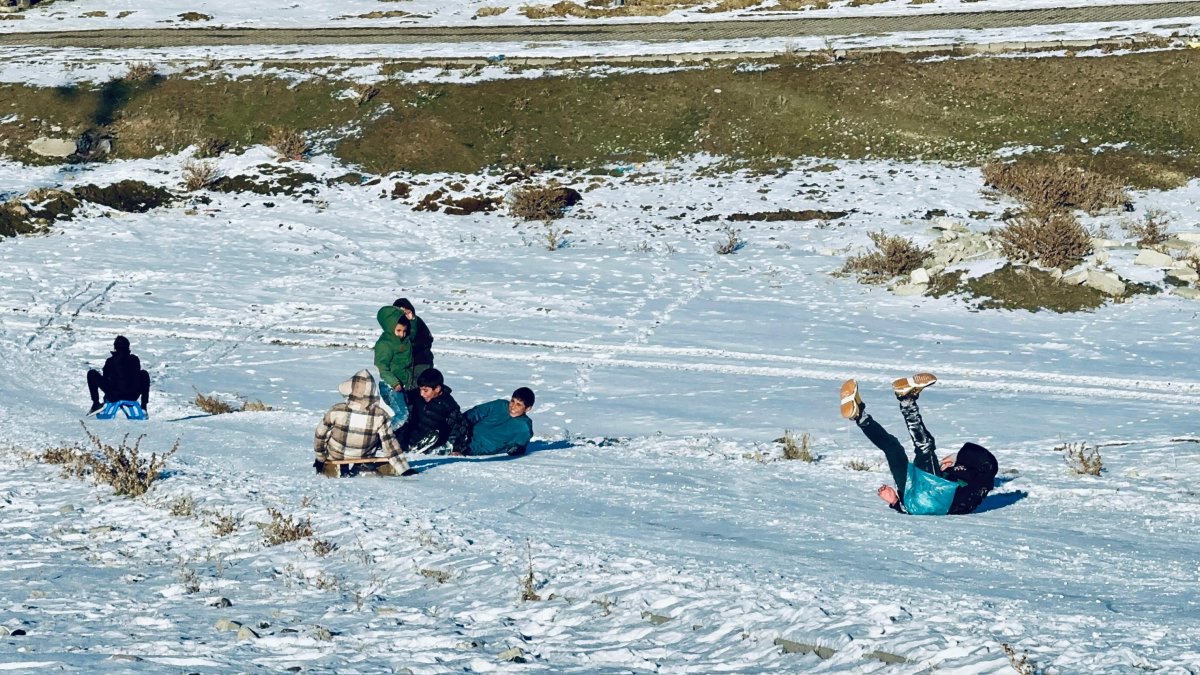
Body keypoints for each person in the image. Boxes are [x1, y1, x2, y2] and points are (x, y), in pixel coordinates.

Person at [839, 373, 998, 515]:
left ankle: (906, 399)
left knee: (925, 447)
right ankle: (859, 415)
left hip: (931, 494)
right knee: (892, 448)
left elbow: (988, 463)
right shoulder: (967, 485)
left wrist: (957, 457)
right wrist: (895, 503)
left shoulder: (982, 480)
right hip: (913, 500)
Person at [313, 369, 416, 477]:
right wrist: (403, 468)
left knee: (331, 433)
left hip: (337, 454)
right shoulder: (380, 415)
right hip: (365, 454)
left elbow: (320, 434)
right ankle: (363, 465)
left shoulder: (337, 410)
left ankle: (342, 467)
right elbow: (389, 442)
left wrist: (320, 458)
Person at [396, 368, 468, 455]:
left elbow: (460, 428)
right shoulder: (415, 395)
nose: (422, 393)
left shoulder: (448, 405)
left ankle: (430, 448)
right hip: (408, 437)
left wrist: (457, 448)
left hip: (431, 440)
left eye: (425, 390)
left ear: (437, 388)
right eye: (420, 390)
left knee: (436, 434)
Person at [457, 387, 536, 457]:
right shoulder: (499, 405)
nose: (513, 406)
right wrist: (460, 426)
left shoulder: (524, 428)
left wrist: (516, 450)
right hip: (462, 434)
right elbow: (475, 413)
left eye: (518, 404)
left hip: (473, 450)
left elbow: (517, 447)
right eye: (512, 401)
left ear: (527, 408)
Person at [86, 335, 150, 416]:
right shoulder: (135, 360)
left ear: (115, 348)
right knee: (144, 374)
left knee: (92, 373)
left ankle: (96, 404)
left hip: (114, 395)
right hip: (133, 395)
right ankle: (144, 407)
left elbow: (106, 378)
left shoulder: (110, 361)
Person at [374, 305, 415, 413]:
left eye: (404, 331)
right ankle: (384, 430)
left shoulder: (404, 339)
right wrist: (394, 383)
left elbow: (415, 332)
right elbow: (381, 366)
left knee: (407, 415)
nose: (402, 334)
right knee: (401, 415)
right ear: (390, 327)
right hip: (391, 386)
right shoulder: (385, 344)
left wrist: (412, 318)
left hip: (404, 383)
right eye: (399, 330)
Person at [393, 298, 434, 384]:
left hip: (420, 362)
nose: (404, 314)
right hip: (405, 364)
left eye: (407, 312)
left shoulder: (416, 322)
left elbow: (427, 339)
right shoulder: (397, 325)